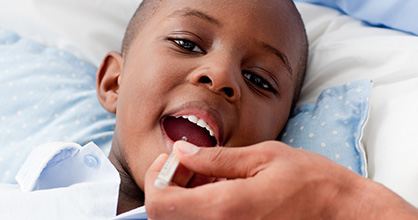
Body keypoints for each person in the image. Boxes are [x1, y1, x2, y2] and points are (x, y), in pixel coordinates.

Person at [95, 0, 308, 215]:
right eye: (187, 44)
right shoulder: (60, 176)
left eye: (257, 79)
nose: (221, 75)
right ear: (114, 83)